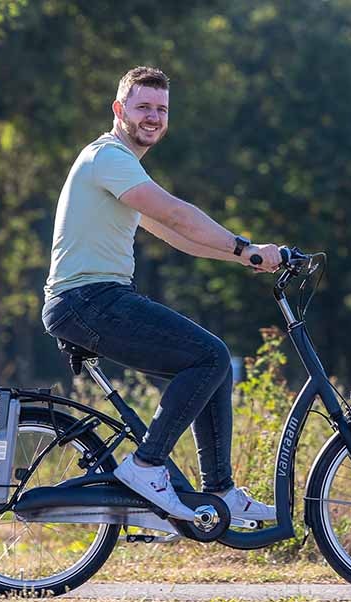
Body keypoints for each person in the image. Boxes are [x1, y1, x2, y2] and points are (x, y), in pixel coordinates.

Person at [41, 66, 281, 522]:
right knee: (209, 357)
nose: (153, 117)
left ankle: (220, 492)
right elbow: (176, 214)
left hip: (93, 301)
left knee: (212, 365)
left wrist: (245, 258)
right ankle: (147, 466)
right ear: (119, 110)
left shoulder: (122, 169)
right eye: (143, 107)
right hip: (86, 301)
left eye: (161, 109)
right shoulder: (108, 157)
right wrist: (247, 246)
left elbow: (179, 237)